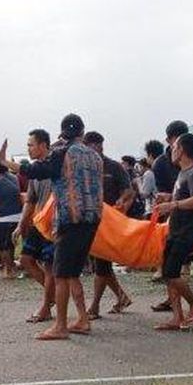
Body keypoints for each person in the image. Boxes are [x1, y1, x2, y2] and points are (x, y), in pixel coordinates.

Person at [0, 113, 103, 341]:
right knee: (73, 273)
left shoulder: (62, 153)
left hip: (70, 220)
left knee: (62, 273)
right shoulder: (94, 156)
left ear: (62, 134)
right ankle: (83, 320)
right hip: (92, 220)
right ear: (83, 133)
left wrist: (5, 161)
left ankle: (61, 326)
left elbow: (34, 171)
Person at [151, 121, 193, 316]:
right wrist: (169, 198)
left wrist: (173, 204)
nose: (171, 149)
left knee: (172, 271)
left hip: (188, 229)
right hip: (175, 227)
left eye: (175, 146)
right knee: (169, 271)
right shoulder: (180, 171)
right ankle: (177, 317)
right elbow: (185, 195)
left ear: (182, 148)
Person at [83, 131, 134, 318]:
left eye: (99, 146)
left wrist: (122, 202)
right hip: (90, 222)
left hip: (109, 223)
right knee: (101, 264)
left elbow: (129, 191)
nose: (97, 150)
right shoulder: (84, 169)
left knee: (102, 265)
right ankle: (122, 297)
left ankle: (94, 307)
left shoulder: (114, 167)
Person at [13, 129, 56, 323]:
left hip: (54, 224)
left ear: (43, 145)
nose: (28, 149)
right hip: (39, 223)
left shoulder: (55, 166)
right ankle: (52, 295)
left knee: (49, 266)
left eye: (31, 145)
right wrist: (20, 225)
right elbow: (30, 200)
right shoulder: (33, 171)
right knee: (25, 259)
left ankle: (46, 307)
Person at [0, 161, 22, 279]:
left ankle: (7, 269)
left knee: (2, 246)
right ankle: (11, 267)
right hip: (18, 216)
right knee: (10, 244)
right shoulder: (14, 178)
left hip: (3, 217)